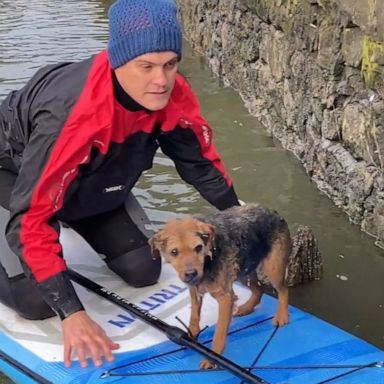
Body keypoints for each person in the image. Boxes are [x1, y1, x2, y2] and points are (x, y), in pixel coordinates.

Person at [0, 0, 239, 369]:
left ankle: (74, 219)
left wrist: (240, 219)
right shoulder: (71, 114)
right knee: (38, 303)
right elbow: (31, 219)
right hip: (15, 173)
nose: (160, 80)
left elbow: (199, 164)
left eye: (170, 64)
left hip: (92, 182)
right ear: (117, 62)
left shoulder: (171, 92)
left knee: (144, 270)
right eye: (146, 66)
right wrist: (72, 314)